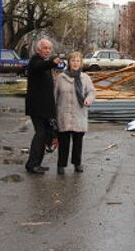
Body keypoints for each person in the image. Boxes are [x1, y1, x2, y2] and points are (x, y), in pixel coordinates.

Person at [54, 51, 96, 175]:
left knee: (78, 141)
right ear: (69, 62)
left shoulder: (85, 78)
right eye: (73, 60)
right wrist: (52, 113)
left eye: (77, 61)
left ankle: (77, 163)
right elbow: (54, 96)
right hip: (64, 114)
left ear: (81, 63)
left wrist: (88, 99)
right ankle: (61, 165)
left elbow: (92, 92)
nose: (75, 63)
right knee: (64, 142)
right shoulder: (61, 78)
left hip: (79, 114)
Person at [24, 38, 62, 174]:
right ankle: (32, 164)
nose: (47, 51)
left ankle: (37, 164)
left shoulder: (44, 63)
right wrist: (53, 62)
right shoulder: (35, 61)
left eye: (49, 48)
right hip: (37, 107)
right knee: (40, 134)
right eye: (45, 48)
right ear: (38, 49)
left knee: (45, 135)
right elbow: (39, 67)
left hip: (44, 108)